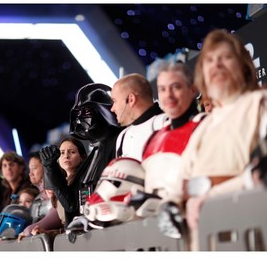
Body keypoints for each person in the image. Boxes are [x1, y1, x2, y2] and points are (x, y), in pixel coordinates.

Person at [177, 29, 266, 250]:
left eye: (226, 57)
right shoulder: (202, 127)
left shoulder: (260, 105)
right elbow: (181, 184)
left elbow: (260, 174)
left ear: (244, 66)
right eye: (209, 60)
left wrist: (210, 195)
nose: (216, 65)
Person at [40, 83, 123, 226]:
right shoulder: (95, 155)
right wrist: (50, 168)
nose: (80, 119)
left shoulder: (120, 141)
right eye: (78, 113)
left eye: (87, 112)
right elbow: (72, 205)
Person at [141, 61, 204, 203]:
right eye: (162, 89)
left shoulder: (206, 127)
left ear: (193, 90)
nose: (168, 95)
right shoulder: (152, 139)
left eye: (176, 87)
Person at [18, 137, 87, 242]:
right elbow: (64, 226)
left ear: (82, 157)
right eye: (62, 153)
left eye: (72, 152)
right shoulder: (58, 185)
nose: (66, 156)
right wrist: (47, 232)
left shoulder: (85, 182)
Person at [110, 73, 166, 160]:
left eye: (115, 101)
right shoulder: (122, 137)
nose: (112, 109)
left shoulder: (166, 123)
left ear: (131, 99)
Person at [28, 152, 52, 222]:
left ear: (45, 166)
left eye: (34, 168)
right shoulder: (37, 198)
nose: (30, 173)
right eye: (30, 169)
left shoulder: (53, 192)